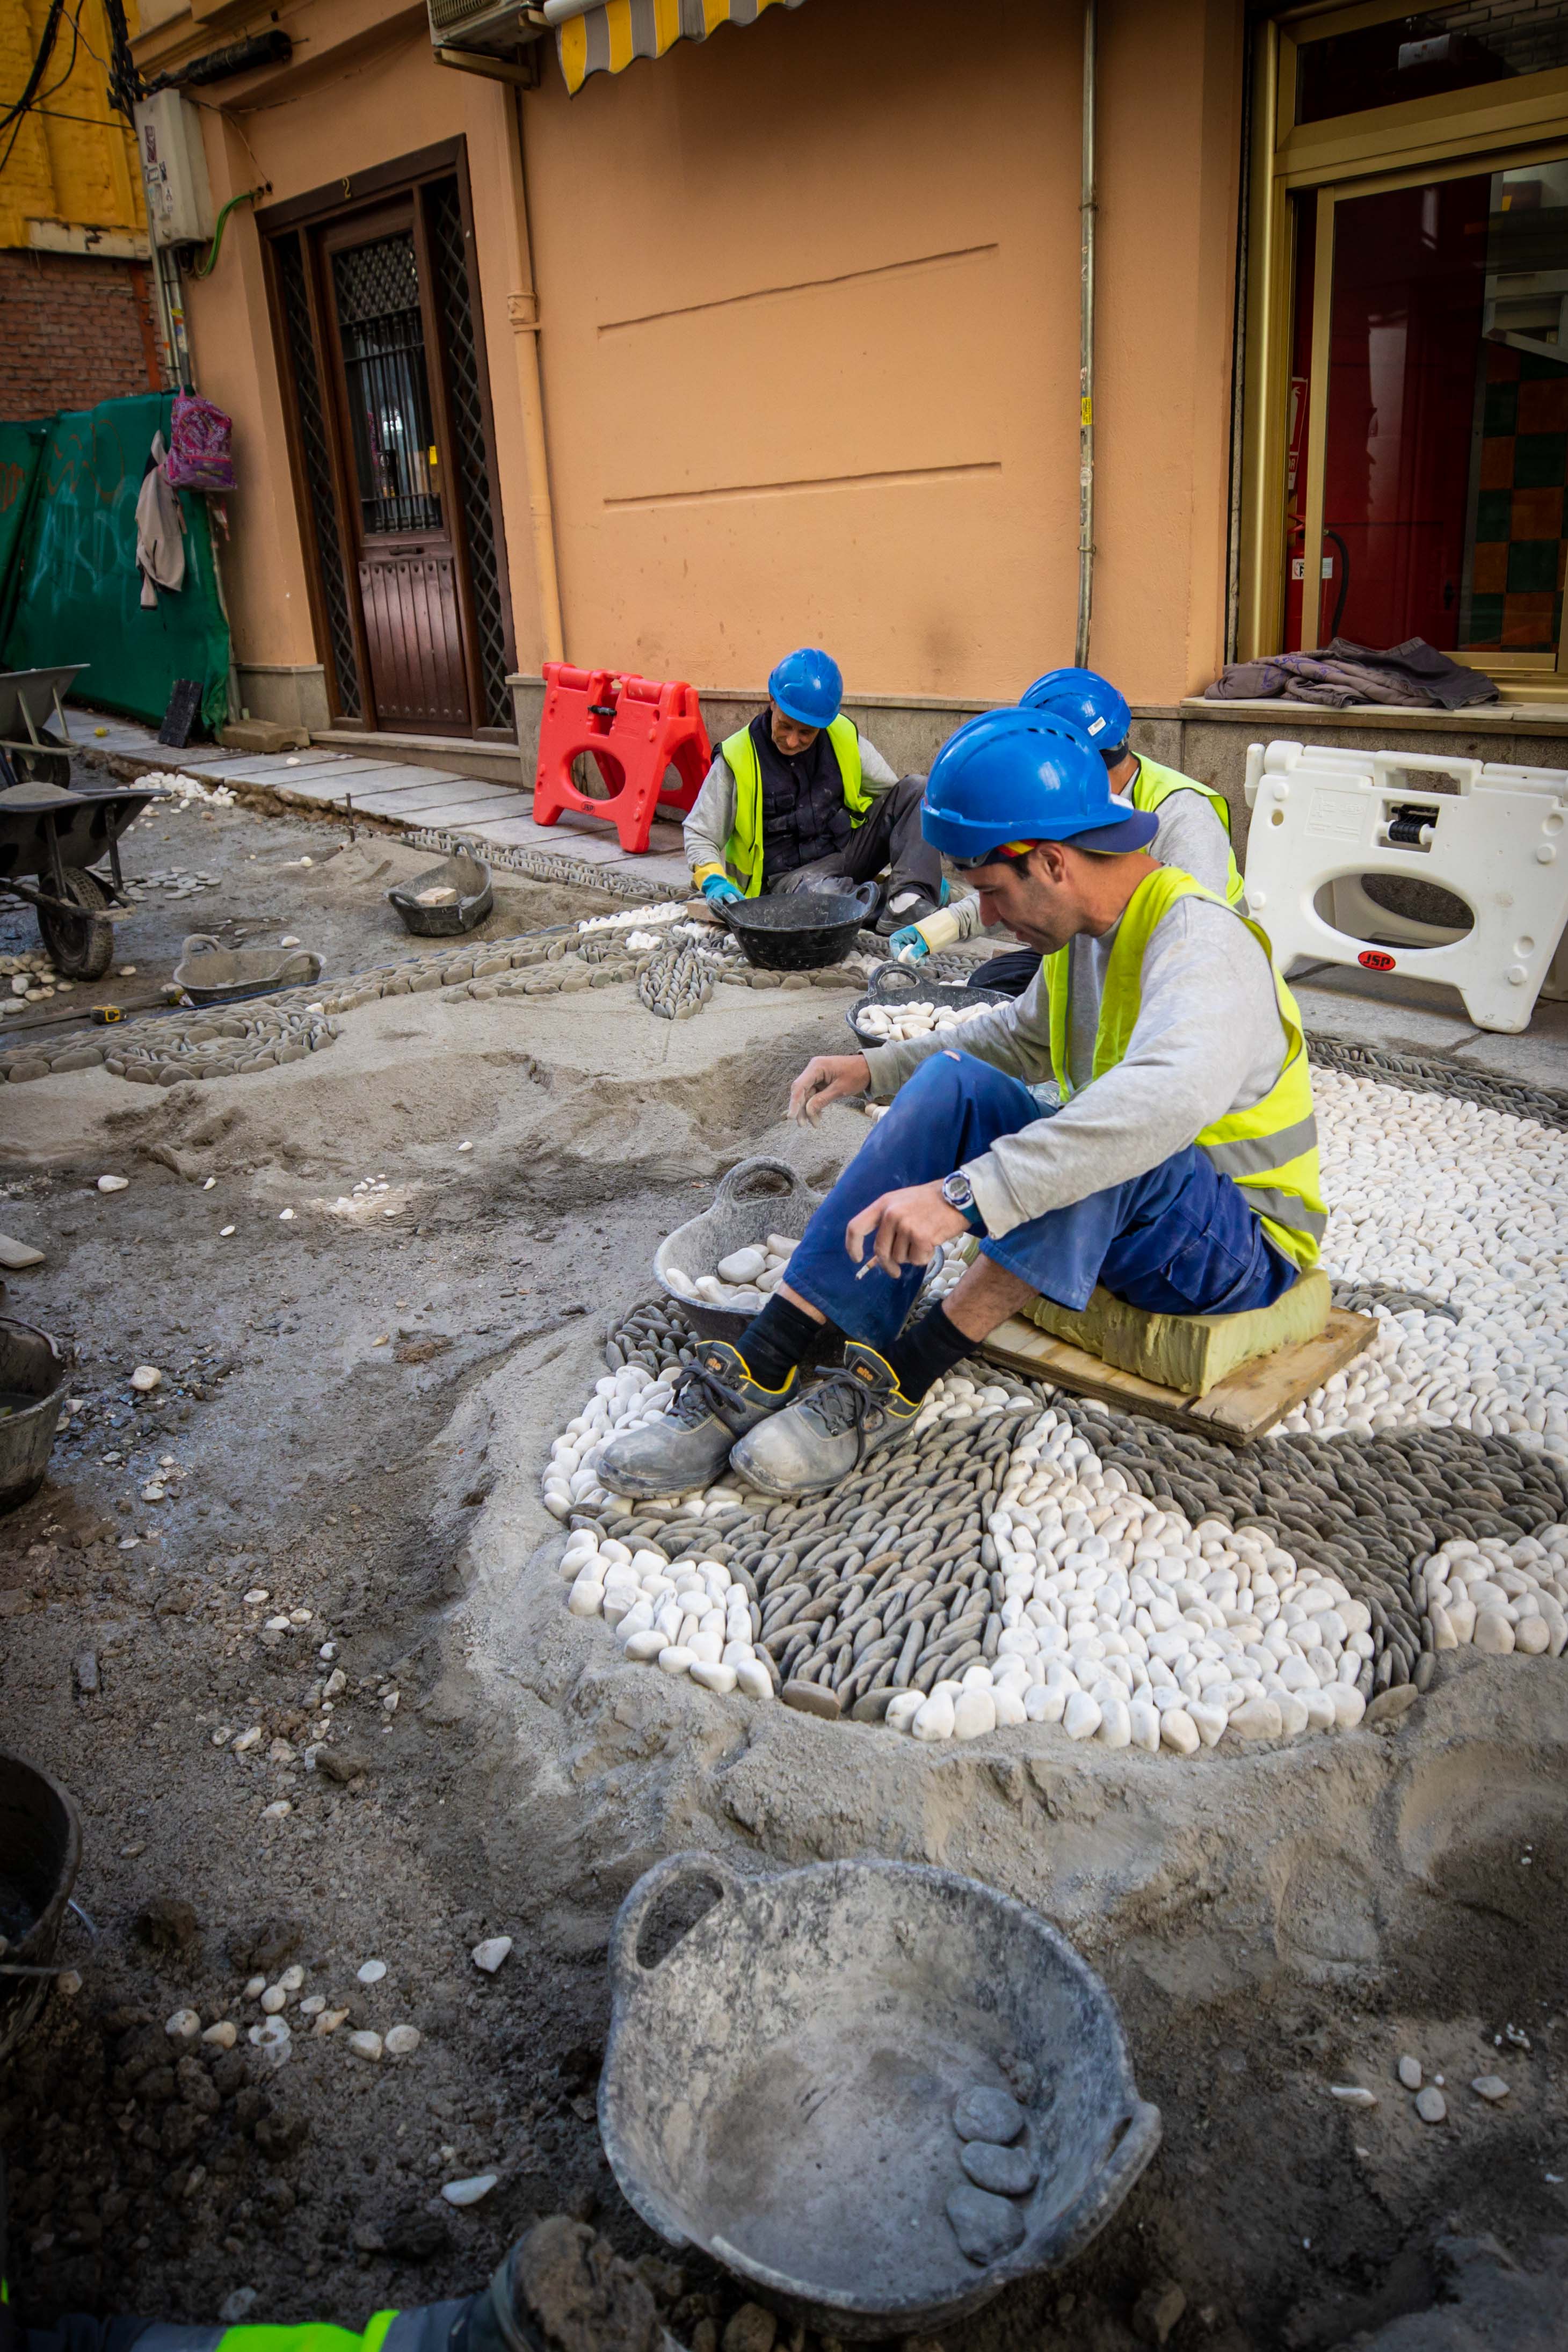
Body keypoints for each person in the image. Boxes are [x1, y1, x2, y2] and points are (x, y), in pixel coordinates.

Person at [601, 706, 1325, 1502]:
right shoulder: (1086, 935)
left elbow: (1157, 1106)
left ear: (1051, 862)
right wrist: (873, 1069)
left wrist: (964, 1196)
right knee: (953, 1082)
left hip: (1242, 1249)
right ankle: (765, 1359)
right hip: (1154, 1221)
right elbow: (1012, 1042)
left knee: (1110, 1136)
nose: (992, 919)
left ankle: (900, 1380)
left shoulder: (1200, 940)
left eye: (990, 892)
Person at [888, 667, 1243, 991]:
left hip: (1178, 967)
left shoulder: (1182, 816)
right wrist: (939, 929)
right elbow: (1016, 882)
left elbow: (1197, 940)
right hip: (1096, 942)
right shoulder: (1069, 809)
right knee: (996, 982)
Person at [685, 646, 945, 936]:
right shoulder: (738, 756)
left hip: (847, 854)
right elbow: (700, 833)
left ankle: (907, 898)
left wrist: (919, 862)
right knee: (815, 900)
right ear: (772, 701)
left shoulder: (843, 736)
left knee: (918, 789)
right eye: (785, 726)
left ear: (825, 723)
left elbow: (897, 801)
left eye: (806, 733)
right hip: (790, 882)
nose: (793, 741)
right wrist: (713, 881)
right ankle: (899, 905)